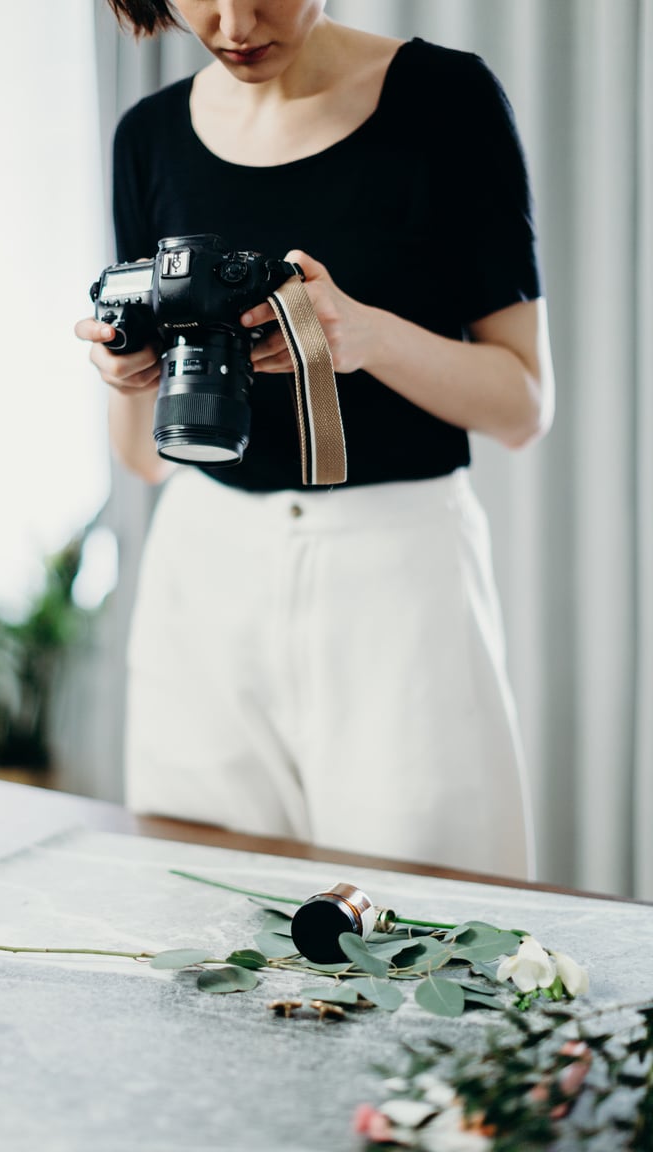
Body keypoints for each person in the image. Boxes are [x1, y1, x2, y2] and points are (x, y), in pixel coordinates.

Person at [75, 0, 555, 879]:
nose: (232, 21)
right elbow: (144, 458)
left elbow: (523, 402)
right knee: (204, 915)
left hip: (397, 577)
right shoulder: (147, 134)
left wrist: (363, 337)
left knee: (425, 929)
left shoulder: (445, 101)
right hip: (204, 573)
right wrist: (126, 375)